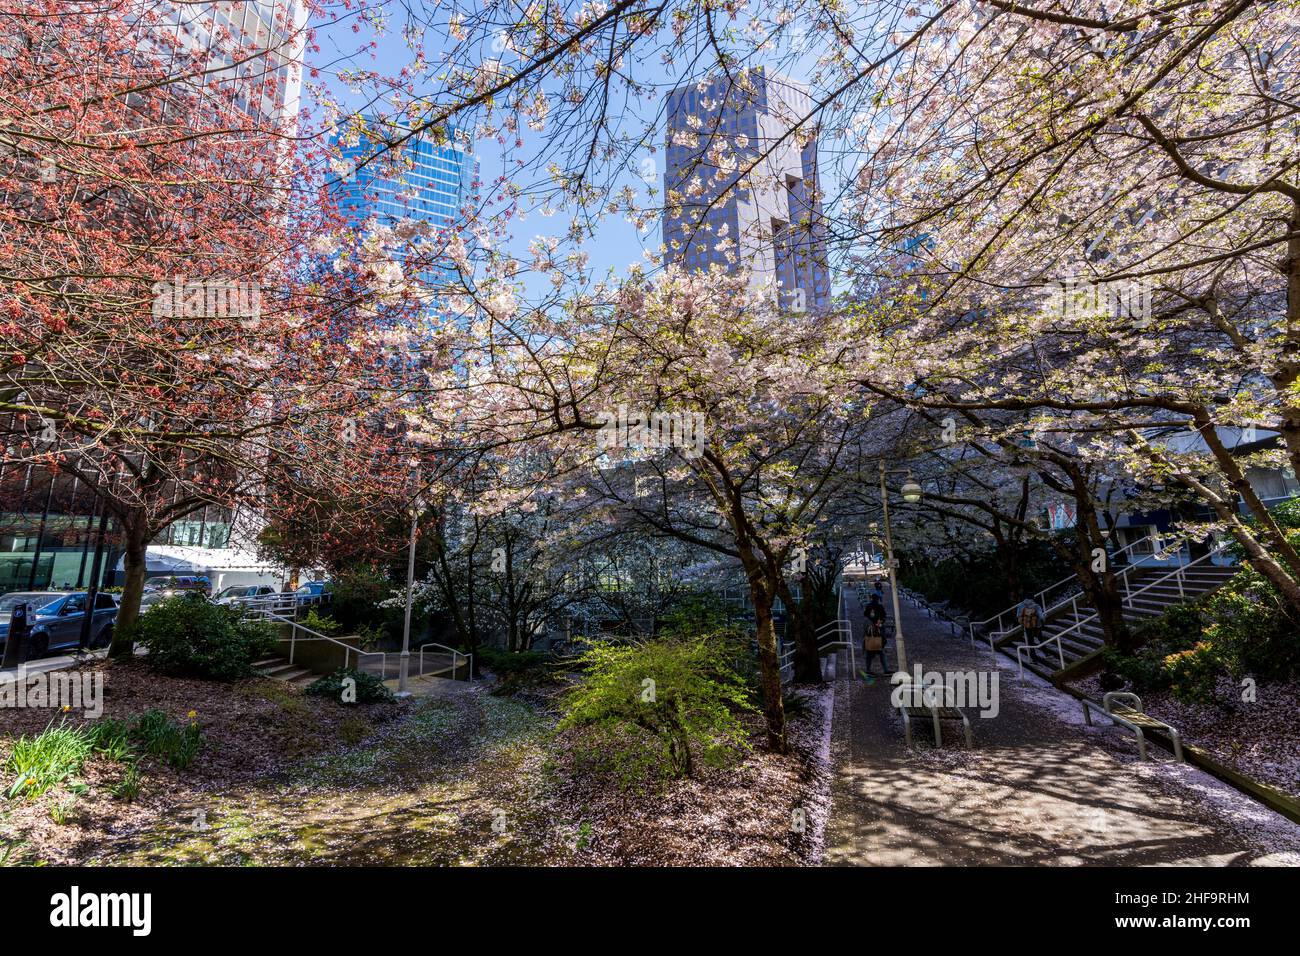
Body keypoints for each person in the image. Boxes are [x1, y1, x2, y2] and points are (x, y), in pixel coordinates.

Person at [862, 594, 889, 677]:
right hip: (878, 630)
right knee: (881, 651)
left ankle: (868, 669)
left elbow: (865, 615)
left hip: (869, 632)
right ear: (877, 599)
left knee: (869, 651)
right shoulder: (880, 606)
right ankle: (886, 669)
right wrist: (879, 623)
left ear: (871, 599)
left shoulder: (868, 606)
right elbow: (884, 616)